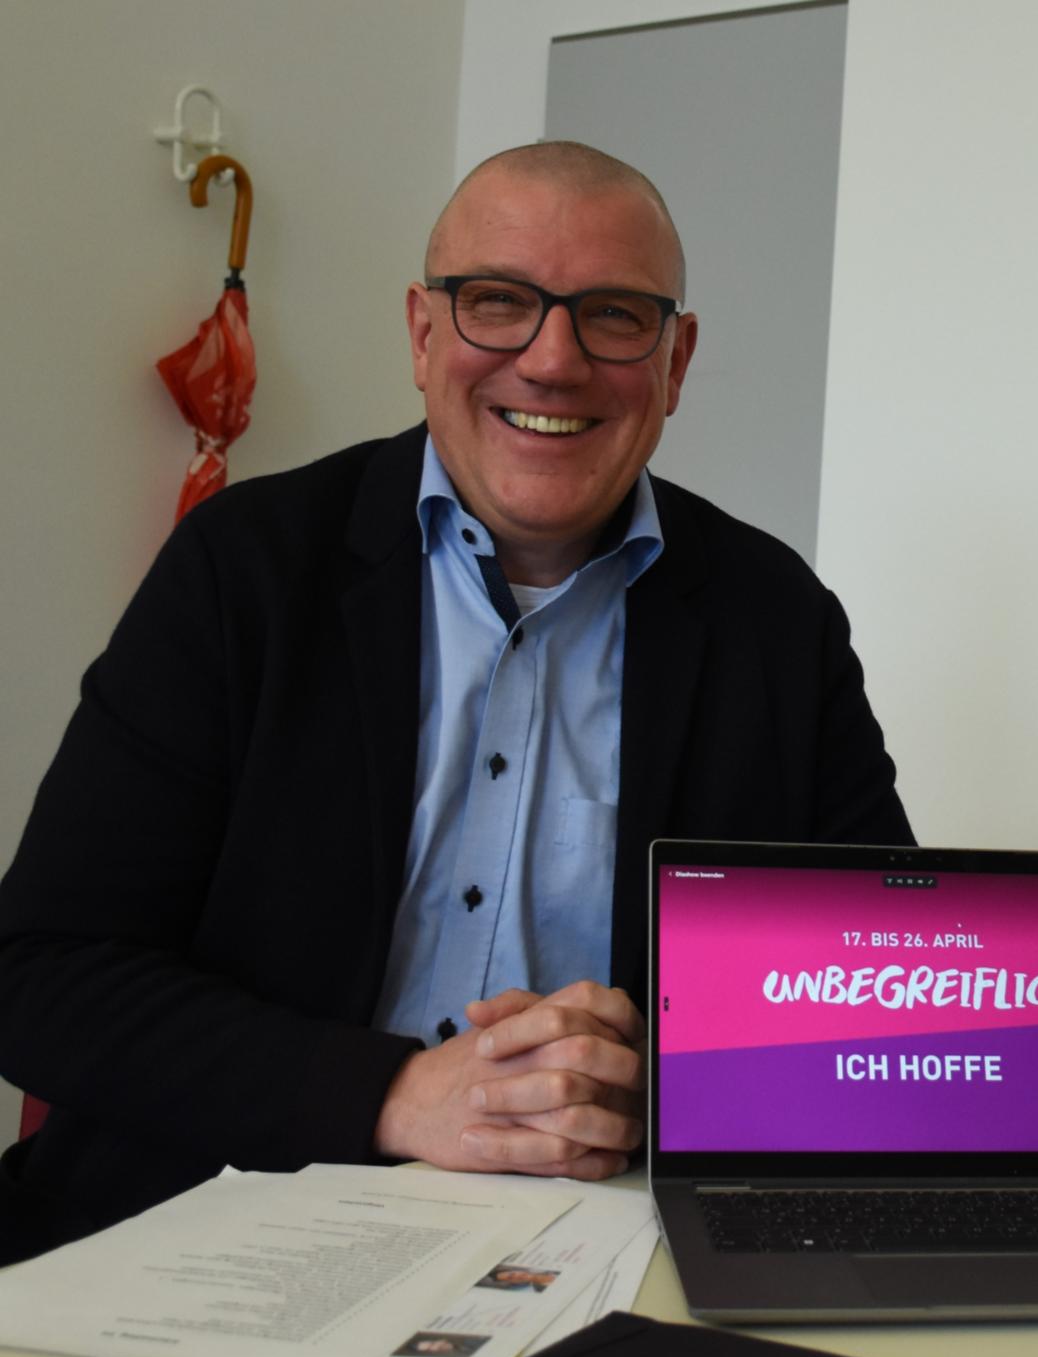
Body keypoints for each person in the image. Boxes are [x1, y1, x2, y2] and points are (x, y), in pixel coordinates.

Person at [0, 141, 912, 1264]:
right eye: (498, 304)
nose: (552, 360)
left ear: (674, 363)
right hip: (206, 1220)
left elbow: (874, 1009)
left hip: (595, 1249)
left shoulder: (778, 619)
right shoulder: (242, 570)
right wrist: (399, 1094)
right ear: (423, 335)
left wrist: (650, 1087)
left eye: (614, 317)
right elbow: (42, 974)